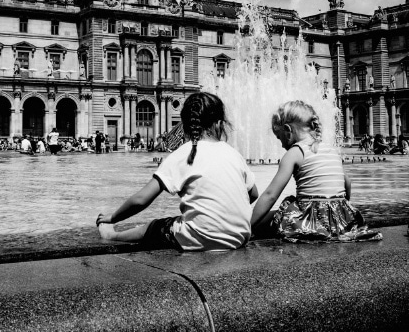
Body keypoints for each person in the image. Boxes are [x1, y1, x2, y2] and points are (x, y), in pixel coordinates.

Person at [97, 92, 258, 251]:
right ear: (220, 124)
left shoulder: (185, 153)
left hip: (200, 238)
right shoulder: (234, 153)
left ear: (186, 126)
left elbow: (141, 199)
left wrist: (113, 217)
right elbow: (253, 194)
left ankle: (113, 236)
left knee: (156, 227)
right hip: (239, 237)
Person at [250, 100, 382, 243]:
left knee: (282, 208)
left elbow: (270, 195)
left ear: (288, 131)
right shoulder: (331, 150)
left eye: (279, 137)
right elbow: (347, 183)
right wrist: (339, 208)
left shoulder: (295, 152)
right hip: (343, 220)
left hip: (311, 221)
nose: (281, 144)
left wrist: (248, 225)